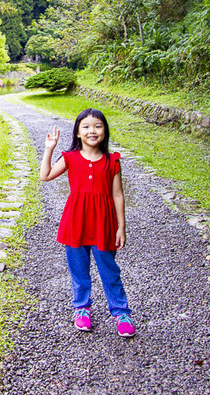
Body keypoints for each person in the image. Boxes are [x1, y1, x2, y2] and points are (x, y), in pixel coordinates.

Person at [39, 108, 135, 337]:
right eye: (86, 127)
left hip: (104, 225)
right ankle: (82, 308)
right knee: (79, 271)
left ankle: (121, 312)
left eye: (98, 126)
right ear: (78, 132)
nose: (92, 131)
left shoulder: (112, 161)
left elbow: (118, 195)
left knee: (110, 271)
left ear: (105, 131)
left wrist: (121, 227)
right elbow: (45, 175)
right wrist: (49, 149)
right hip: (76, 224)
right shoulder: (70, 158)